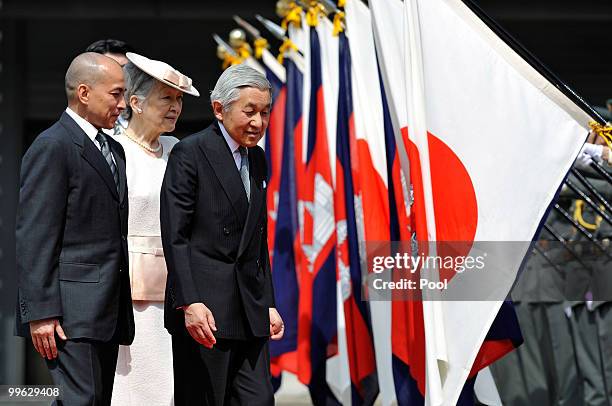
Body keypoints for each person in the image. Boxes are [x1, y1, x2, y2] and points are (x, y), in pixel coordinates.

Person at [160, 64, 284, 406]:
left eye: (265, 112)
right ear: (219, 109)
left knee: (259, 400)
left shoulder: (258, 158)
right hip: (206, 312)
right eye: (249, 112)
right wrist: (190, 301)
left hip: (250, 308)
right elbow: (176, 235)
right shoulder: (190, 153)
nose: (258, 123)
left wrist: (269, 303)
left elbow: (257, 240)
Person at [15, 52, 134, 405]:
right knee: (79, 400)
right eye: (115, 94)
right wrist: (41, 313)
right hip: (69, 314)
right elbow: (35, 235)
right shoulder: (52, 146)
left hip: (108, 309)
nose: (123, 104)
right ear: (84, 93)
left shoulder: (113, 148)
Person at [109, 52, 199, 406]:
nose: (175, 107)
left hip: (178, 294)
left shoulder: (179, 151)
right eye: (166, 98)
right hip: (126, 293)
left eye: (178, 99)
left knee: (169, 387)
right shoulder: (114, 151)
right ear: (136, 103)